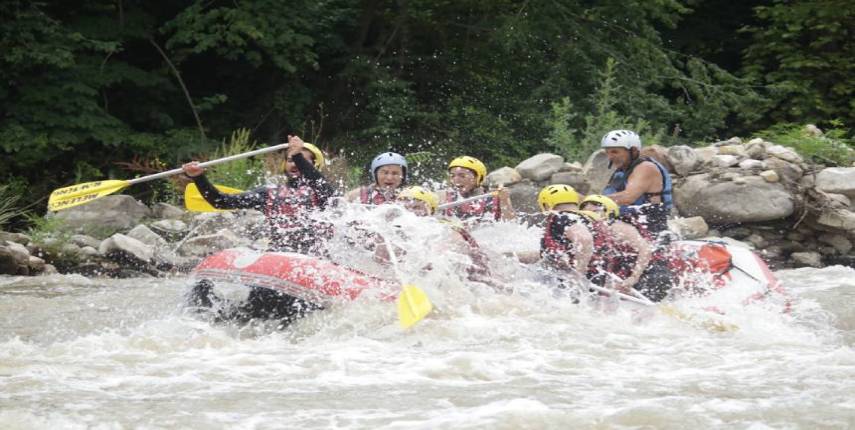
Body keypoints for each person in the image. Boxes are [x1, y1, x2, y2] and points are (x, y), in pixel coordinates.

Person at [181, 135, 334, 255]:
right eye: (290, 159)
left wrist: (297, 155)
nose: (294, 163)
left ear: (314, 166)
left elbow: (323, 187)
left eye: (300, 160)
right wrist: (198, 177)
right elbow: (221, 202)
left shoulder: (322, 191)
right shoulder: (268, 193)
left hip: (314, 258)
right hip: (278, 256)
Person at [373, 186, 493, 284]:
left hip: (471, 276)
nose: (409, 212)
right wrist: (383, 232)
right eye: (405, 207)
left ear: (430, 210)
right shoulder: (399, 229)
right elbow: (380, 260)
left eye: (416, 207)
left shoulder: (443, 226)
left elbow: (452, 247)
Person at [579, 194, 672, 301]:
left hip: (648, 270)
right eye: (586, 213)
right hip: (623, 269)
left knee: (656, 279)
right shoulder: (587, 231)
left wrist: (633, 277)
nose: (591, 217)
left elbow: (645, 250)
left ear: (608, 213)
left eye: (595, 212)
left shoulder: (617, 227)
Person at [600, 130, 674, 240]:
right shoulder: (621, 172)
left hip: (650, 229)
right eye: (608, 152)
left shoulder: (646, 167)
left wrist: (594, 201)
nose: (610, 157)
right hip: (628, 225)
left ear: (633, 151)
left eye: (615, 152)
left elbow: (627, 197)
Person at [438, 156, 515, 222]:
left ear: (478, 178)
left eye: (462, 176)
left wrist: (505, 200)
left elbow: (511, 224)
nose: (456, 180)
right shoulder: (444, 197)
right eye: (452, 176)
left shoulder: (496, 198)